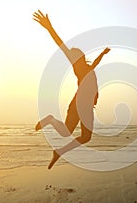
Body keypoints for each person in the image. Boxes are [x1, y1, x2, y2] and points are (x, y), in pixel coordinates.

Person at [33, 10, 110, 169]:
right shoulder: (78, 67)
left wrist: (102, 53)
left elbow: (95, 62)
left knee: (79, 135)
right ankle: (51, 121)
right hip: (78, 104)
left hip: (86, 106)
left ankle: (58, 151)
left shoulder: (88, 68)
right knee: (74, 134)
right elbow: (61, 45)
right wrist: (49, 28)